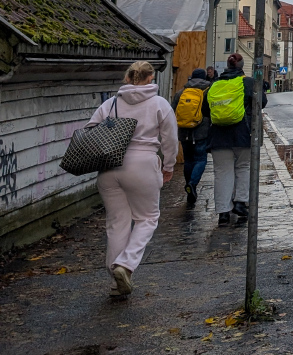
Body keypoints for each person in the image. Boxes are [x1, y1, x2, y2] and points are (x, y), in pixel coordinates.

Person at [85, 60, 178, 298]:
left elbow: (90, 131)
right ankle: (125, 265)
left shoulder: (111, 103)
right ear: (151, 78)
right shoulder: (159, 104)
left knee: (117, 223)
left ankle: (116, 283)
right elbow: (169, 140)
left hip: (109, 167)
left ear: (127, 78)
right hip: (143, 165)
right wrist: (168, 166)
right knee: (147, 218)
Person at [204, 53, 267, 226]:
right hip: (242, 133)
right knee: (243, 167)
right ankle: (240, 202)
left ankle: (223, 213)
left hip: (218, 135)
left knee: (222, 173)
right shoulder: (247, 82)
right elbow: (262, 101)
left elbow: (205, 110)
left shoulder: (214, 85)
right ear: (242, 67)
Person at [171, 67, 211, 207]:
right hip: (201, 132)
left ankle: (189, 189)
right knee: (200, 159)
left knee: (188, 160)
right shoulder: (207, 91)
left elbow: (173, 110)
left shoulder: (180, 93)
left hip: (183, 132)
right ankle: (192, 184)